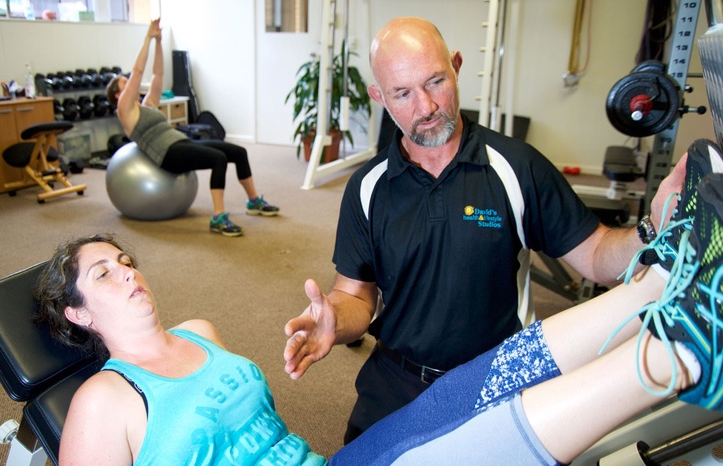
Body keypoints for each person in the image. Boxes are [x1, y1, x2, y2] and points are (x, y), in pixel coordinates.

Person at [37, 148, 723, 464]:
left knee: (475, 389)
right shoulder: (104, 402)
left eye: (124, 260)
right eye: (102, 273)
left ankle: (660, 287)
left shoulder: (200, 330)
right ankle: (688, 351)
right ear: (78, 314)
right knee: (453, 453)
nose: (126, 273)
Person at [283, 15, 691, 443]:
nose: (425, 107)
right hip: (396, 379)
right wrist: (334, 319)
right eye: (402, 93)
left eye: (436, 81)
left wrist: (651, 227)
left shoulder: (517, 166)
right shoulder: (367, 187)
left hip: (499, 377)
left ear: (456, 66)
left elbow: (597, 256)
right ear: (379, 96)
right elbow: (356, 295)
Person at [105, 19, 279, 237]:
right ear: (118, 96)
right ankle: (218, 217)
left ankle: (254, 202)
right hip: (167, 155)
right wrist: (148, 37)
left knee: (238, 152)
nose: (132, 83)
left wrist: (159, 41)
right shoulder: (125, 110)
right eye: (125, 83)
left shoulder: (147, 105)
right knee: (218, 159)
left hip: (181, 142)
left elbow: (158, 74)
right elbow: (138, 72)